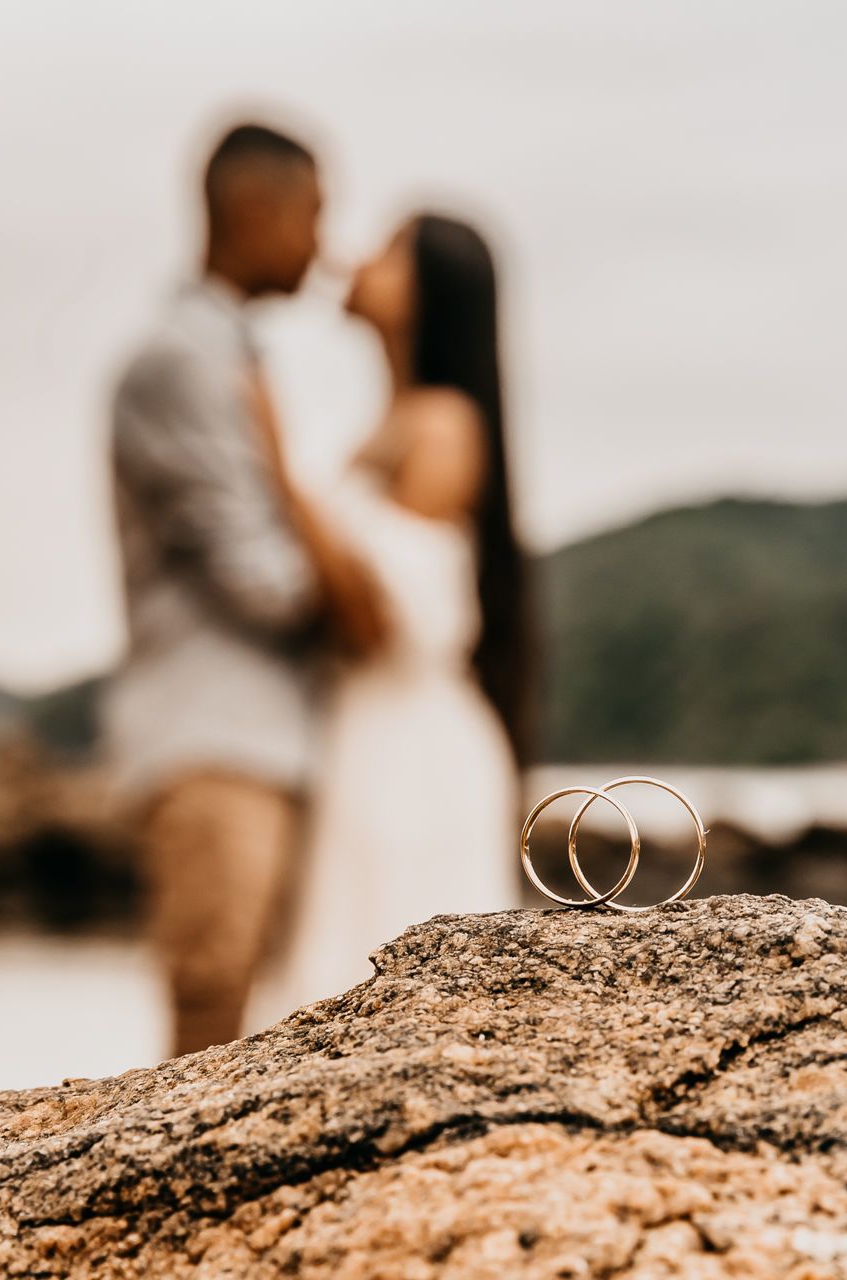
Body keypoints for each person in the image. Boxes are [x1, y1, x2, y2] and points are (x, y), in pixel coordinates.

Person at [249, 213, 535, 1023]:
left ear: (425, 291)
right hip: (362, 731)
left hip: (408, 752)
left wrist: (276, 472)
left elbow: (391, 618)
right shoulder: (394, 422)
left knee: (389, 988)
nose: (357, 256)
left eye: (388, 248)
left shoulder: (440, 425)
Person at [101, 122, 327, 1057]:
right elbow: (263, 581)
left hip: (256, 737)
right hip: (212, 736)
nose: (323, 245)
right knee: (208, 1020)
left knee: (238, 1019)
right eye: (314, 215)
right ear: (252, 209)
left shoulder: (219, 355)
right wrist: (374, 580)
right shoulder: (180, 362)